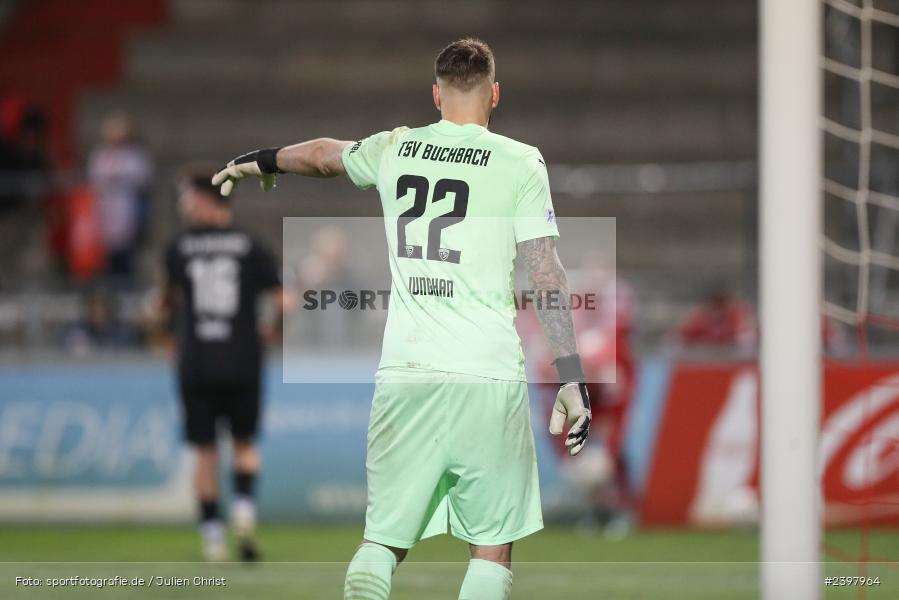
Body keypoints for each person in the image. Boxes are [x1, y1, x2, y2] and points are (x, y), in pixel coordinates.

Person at [212, 38, 592, 600]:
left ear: (436, 94)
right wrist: (570, 373)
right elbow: (546, 272)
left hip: (407, 369)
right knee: (492, 544)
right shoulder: (520, 160)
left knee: (383, 539)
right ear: (495, 95)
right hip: (485, 373)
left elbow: (320, 154)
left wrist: (259, 161)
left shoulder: (398, 148)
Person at [155, 166, 284, 562]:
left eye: (186, 197)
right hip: (243, 355)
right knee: (244, 443)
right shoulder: (251, 245)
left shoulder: (177, 248)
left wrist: (162, 336)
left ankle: (212, 539)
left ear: (202, 198)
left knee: (205, 451)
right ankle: (245, 518)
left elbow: (163, 305)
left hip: (196, 359)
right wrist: (270, 329)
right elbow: (283, 299)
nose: (182, 206)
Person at [87, 112, 153, 285]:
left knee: (126, 255)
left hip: (127, 210)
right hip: (105, 210)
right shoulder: (101, 155)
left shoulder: (135, 156)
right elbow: (95, 178)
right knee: (106, 258)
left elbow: (143, 177)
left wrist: (117, 178)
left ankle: (126, 286)